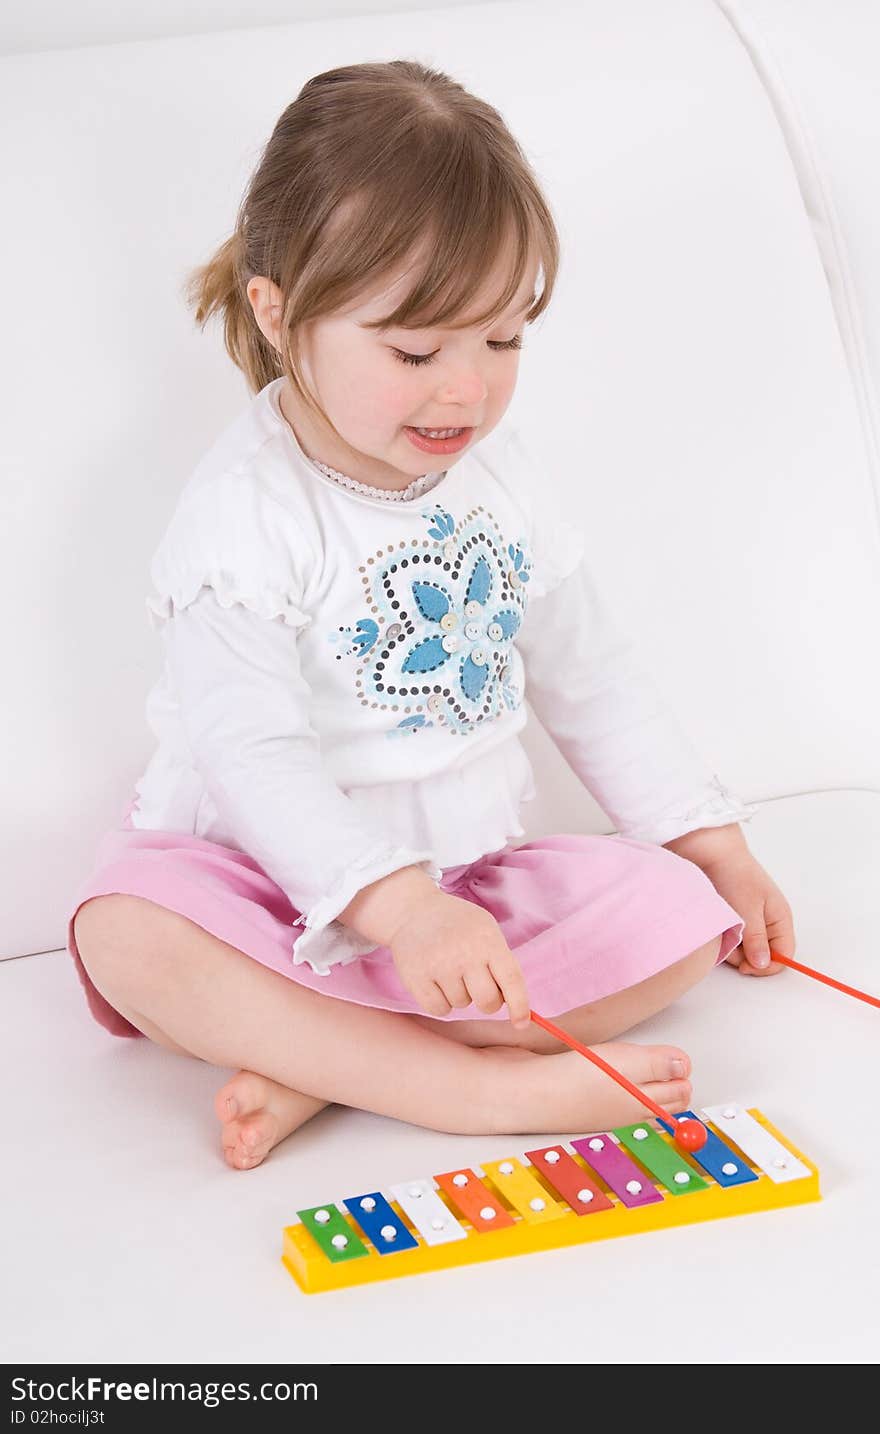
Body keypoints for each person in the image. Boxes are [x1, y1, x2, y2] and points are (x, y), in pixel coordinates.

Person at [68, 59, 796, 1171]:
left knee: (679, 922)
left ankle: (327, 1066)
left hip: (464, 890)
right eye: (416, 351)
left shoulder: (503, 484)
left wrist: (713, 843)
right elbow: (251, 752)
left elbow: (590, 674)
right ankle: (465, 1089)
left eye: (502, 340)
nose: (468, 389)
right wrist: (396, 915)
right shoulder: (243, 519)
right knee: (124, 931)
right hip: (266, 890)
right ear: (277, 314)